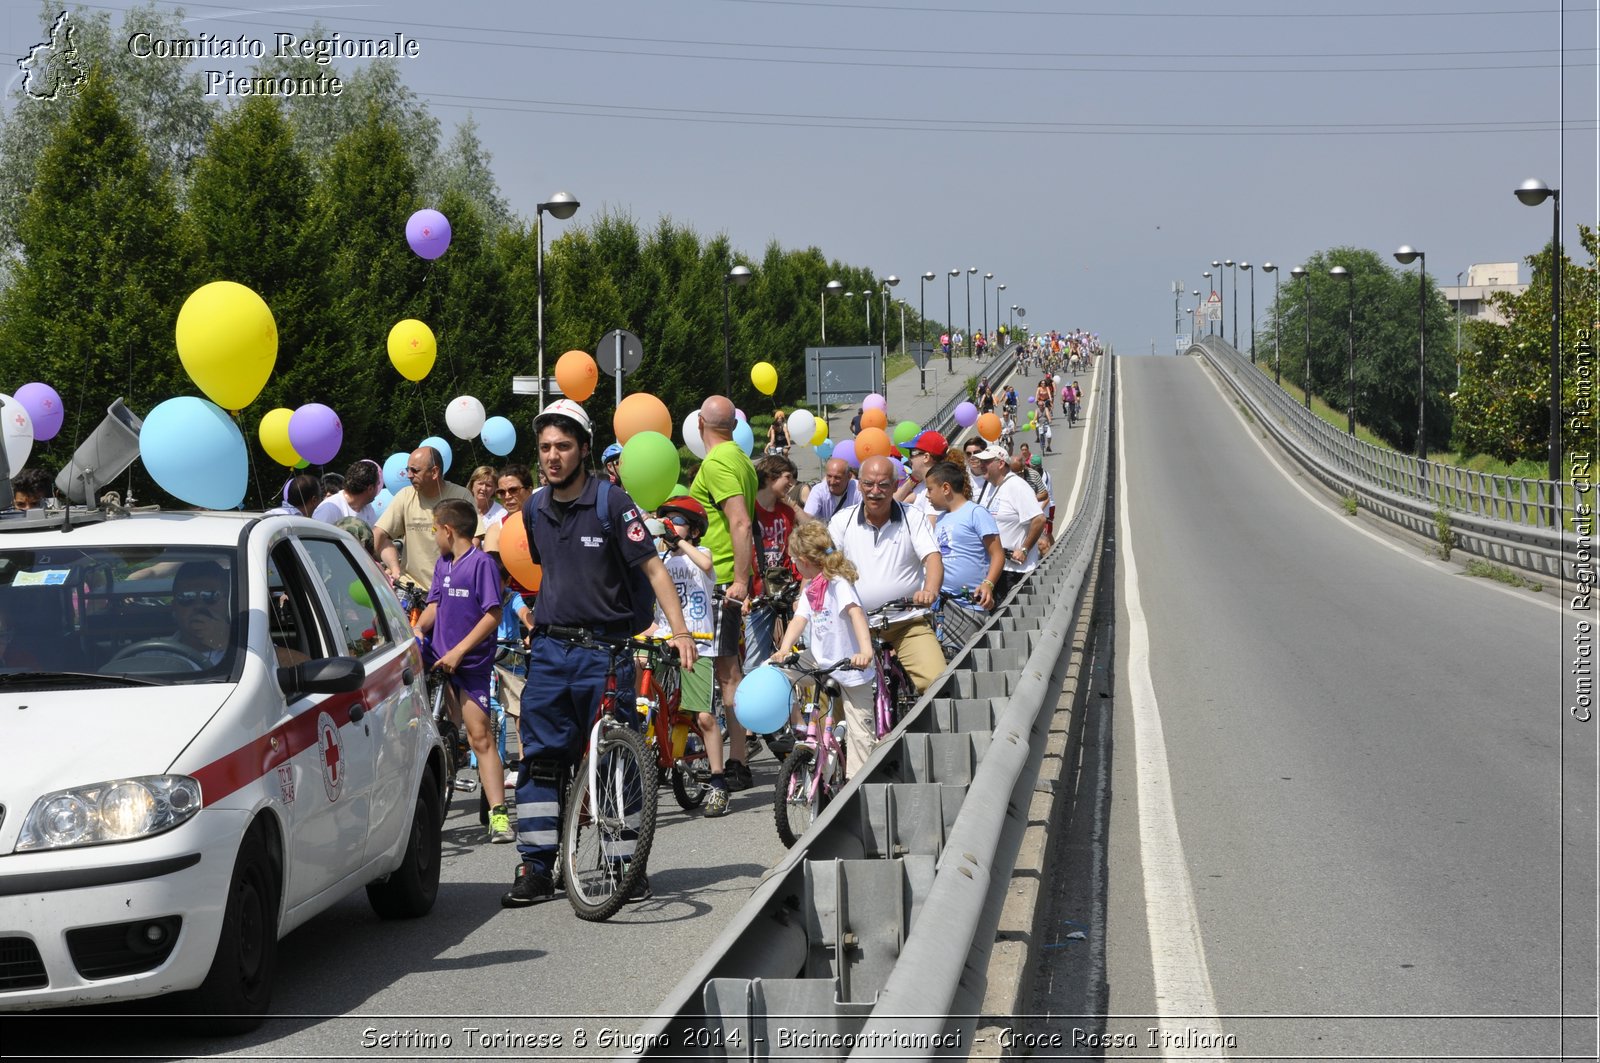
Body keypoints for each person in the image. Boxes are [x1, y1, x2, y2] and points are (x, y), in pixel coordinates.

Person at [503, 399, 697, 908]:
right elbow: (550, 568)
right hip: (548, 651)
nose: (552, 456)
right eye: (545, 447)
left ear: (584, 449)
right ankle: (537, 868)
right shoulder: (533, 508)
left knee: (614, 762)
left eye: (563, 446)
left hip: (606, 653)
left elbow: (654, 570)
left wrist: (679, 634)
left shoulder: (613, 503)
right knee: (540, 761)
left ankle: (621, 865)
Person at [412, 498, 511, 843]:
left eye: (435, 530)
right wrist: (415, 632)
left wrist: (459, 650)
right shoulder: (443, 563)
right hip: (438, 657)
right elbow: (434, 606)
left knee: (479, 736)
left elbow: (492, 614)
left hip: (469, 663)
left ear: (448, 530)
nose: (434, 537)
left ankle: (499, 815)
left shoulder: (481, 564)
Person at [827, 455, 945, 695]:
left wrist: (930, 591)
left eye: (883, 485)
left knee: (938, 683)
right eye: (868, 484)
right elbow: (826, 567)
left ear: (895, 486)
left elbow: (932, 558)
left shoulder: (913, 517)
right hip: (855, 626)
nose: (875, 491)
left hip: (906, 621)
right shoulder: (841, 521)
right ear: (858, 484)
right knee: (834, 692)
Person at [688, 395, 759, 792]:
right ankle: (736, 759)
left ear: (701, 423)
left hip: (717, 583)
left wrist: (741, 581)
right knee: (729, 672)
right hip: (723, 580)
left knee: (725, 675)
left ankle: (734, 761)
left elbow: (740, 522)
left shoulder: (717, 463)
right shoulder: (740, 458)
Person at [770, 522, 876, 779]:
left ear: (804, 560)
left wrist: (865, 651)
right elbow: (799, 620)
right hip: (821, 661)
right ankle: (802, 736)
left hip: (851, 667)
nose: (794, 564)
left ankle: (856, 786)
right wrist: (783, 649)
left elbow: (857, 614)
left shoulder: (838, 583)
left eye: (794, 560)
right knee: (774, 671)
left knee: (861, 733)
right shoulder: (812, 587)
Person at [651, 495, 732, 815]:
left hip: (697, 644)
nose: (671, 524)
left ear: (695, 531)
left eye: (678, 521)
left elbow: (706, 565)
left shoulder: (701, 553)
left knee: (703, 715)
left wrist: (676, 541)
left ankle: (718, 782)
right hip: (664, 639)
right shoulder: (661, 560)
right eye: (666, 519)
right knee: (649, 704)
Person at [374, 446, 475, 593]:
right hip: (410, 588)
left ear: (434, 472)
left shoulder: (461, 496)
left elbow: (475, 541)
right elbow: (379, 534)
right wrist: (394, 569)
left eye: (415, 470)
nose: (408, 475)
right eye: (407, 469)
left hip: (451, 587)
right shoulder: (405, 496)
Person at [746, 453, 800, 678]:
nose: (791, 483)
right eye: (787, 477)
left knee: (794, 655)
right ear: (770, 477)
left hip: (784, 590)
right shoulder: (749, 509)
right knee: (754, 661)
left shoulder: (787, 512)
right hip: (756, 593)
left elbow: (792, 548)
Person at [924, 462, 1002, 612]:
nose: (927, 495)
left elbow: (997, 554)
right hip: (943, 602)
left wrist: (988, 584)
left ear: (946, 488)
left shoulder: (976, 513)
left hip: (971, 605)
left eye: (930, 489)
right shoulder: (940, 519)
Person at [972, 443, 1046, 597]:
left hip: (1014, 572)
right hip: (993, 568)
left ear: (1000, 464)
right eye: (981, 462)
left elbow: (1039, 519)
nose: (982, 465)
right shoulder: (989, 486)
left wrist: (1024, 549)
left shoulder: (1017, 486)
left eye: (986, 462)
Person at [894, 430, 948, 524]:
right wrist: (913, 479)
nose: (909, 458)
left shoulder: (938, 488)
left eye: (912, 453)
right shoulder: (923, 484)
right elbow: (892, 504)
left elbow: (930, 529)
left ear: (926, 457)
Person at [313, 460, 380, 526]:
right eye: (378, 484)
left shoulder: (367, 508)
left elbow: (374, 535)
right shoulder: (329, 509)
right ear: (370, 488)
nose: (378, 489)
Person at [803, 458, 860, 524]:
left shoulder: (858, 488)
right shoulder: (818, 490)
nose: (832, 482)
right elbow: (807, 519)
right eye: (829, 476)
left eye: (837, 478)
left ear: (849, 476)